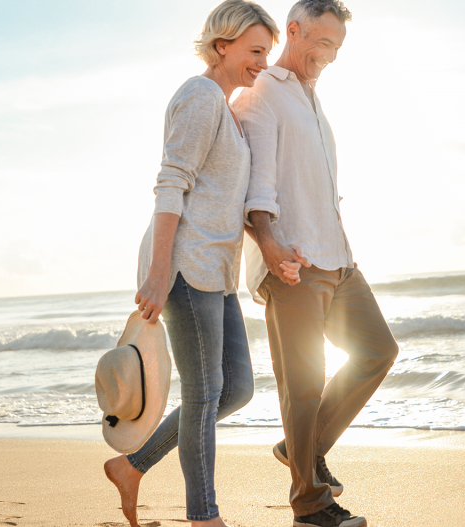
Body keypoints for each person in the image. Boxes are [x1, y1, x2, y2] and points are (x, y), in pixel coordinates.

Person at [101, 2, 287, 526]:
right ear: (221, 46)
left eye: (266, 53)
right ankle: (204, 517)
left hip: (216, 269)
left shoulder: (226, 106)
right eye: (255, 51)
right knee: (204, 393)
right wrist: (159, 274)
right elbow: (170, 183)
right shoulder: (200, 96)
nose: (261, 63)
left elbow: (224, 197)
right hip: (184, 265)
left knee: (237, 389)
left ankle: (132, 466)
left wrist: (267, 245)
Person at [234, 1, 399, 526]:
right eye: (321, 43)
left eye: (337, 48)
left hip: (338, 257)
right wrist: (269, 245)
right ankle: (310, 506)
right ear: (294, 30)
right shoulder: (262, 93)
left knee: (378, 350)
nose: (328, 56)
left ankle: (301, 449)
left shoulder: (312, 99)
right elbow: (256, 183)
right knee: (302, 384)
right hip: (294, 262)